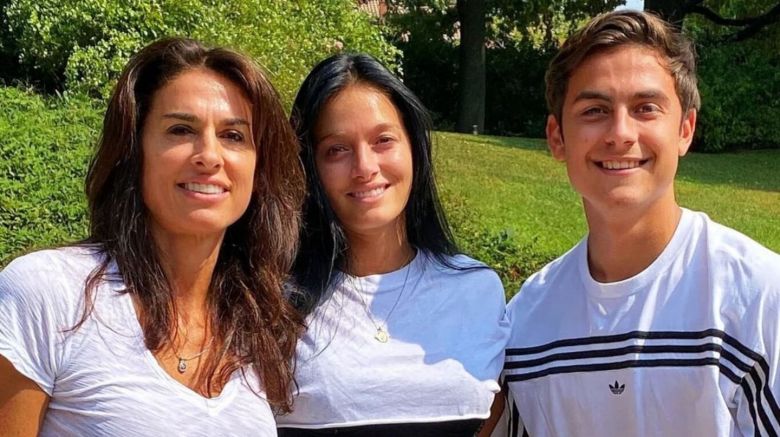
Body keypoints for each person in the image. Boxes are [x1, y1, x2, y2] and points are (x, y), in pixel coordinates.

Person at [0, 37, 304, 436]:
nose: (209, 156)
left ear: (258, 168)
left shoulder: (257, 330)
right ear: (133, 151)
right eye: (180, 130)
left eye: (233, 136)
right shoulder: (50, 293)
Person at [496, 10, 780, 437]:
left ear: (685, 130)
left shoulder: (758, 299)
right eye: (595, 110)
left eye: (646, 108)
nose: (620, 133)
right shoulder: (527, 325)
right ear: (557, 138)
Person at [275, 53, 509, 436]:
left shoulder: (477, 290)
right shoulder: (272, 302)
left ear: (413, 147)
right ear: (308, 165)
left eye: (383, 140)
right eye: (337, 149)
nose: (365, 167)